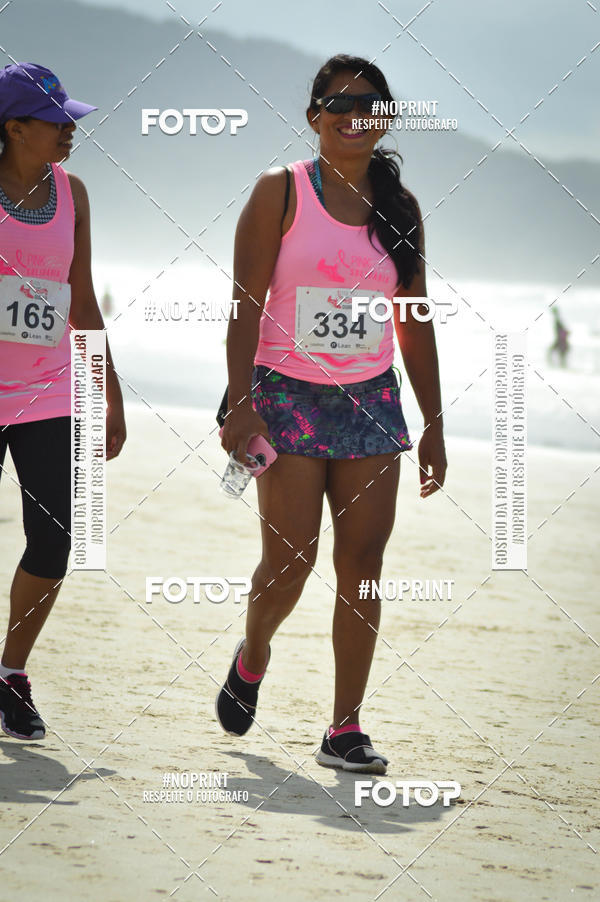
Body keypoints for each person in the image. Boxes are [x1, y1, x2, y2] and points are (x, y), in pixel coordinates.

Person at [216, 54, 446, 773]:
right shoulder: (280, 191)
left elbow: (414, 321)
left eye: (370, 103)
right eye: (339, 103)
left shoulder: (400, 208)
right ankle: (254, 654)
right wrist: (240, 403)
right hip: (285, 396)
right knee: (291, 560)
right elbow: (245, 304)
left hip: (371, 402)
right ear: (315, 115)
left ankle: (344, 727)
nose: (354, 115)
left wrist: (434, 423)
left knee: (364, 564)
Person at [0, 63, 126, 740]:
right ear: (15, 128)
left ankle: (10, 673)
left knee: (55, 538)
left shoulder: (72, 193)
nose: (71, 130)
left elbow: (81, 300)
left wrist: (110, 394)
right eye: (56, 120)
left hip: (48, 390)